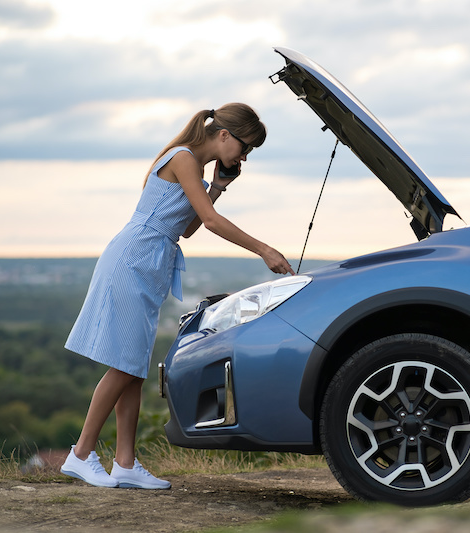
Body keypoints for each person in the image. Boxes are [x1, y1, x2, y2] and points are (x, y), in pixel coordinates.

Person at [60, 103, 294, 489]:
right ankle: (81, 454)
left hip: (149, 265)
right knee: (123, 366)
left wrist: (217, 186)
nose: (245, 157)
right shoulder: (183, 158)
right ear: (223, 135)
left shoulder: (197, 169)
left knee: (133, 369)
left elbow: (186, 228)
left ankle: (125, 463)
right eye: (245, 147)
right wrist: (264, 249)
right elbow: (212, 222)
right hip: (132, 261)